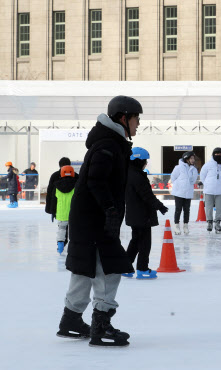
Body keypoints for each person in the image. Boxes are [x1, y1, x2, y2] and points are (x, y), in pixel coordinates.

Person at [58, 95, 142, 347]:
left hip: (86, 218)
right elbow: (96, 179)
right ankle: (101, 324)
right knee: (108, 268)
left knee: (84, 269)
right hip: (97, 219)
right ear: (123, 118)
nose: (138, 125)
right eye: (137, 119)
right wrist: (110, 209)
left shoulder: (107, 142)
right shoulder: (108, 144)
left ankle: (70, 320)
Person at [124, 147, 168, 279]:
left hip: (134, 214)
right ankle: (142, 269)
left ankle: (125, 268)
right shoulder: (137, 176)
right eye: (144, 160)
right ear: (138, 160)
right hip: (142, 215)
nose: (146, 163)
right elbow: (146, 195)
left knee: (136, 241)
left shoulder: (128, 173)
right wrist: (159, 206)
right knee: (144, 243)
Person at [200, 147, 221, 233]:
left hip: (220, 191)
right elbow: (202, 176)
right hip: (209, 190)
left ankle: (217, 223)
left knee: (220, 208)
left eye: (220, 154)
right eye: (216, 153)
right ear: (213, 154)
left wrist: (220, 183)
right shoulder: (207, 165)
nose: (218, 155)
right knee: (208, 208)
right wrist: (208, 184)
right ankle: (209, 223)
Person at [170, 151, 198, 235]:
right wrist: (179, 185)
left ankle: (186, 225)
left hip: (188, 192)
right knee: (178, 209)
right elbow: (173, 178)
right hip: (179, 192)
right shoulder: (178, 167)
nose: (193, 160)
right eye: (191, 158)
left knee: (187, 210)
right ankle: (176, 225)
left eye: (194, 158)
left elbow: (193, 180)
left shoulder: (194, 169)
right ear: (186, 159)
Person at [54, 165, 77, 254]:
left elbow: (54, 200)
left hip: (61, 213)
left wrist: (53, 211)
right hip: (73, 213)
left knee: (61, 229)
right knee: (73, 230)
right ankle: (74, 248)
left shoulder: (56, 186)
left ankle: (60, 247)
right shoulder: (76, 185)